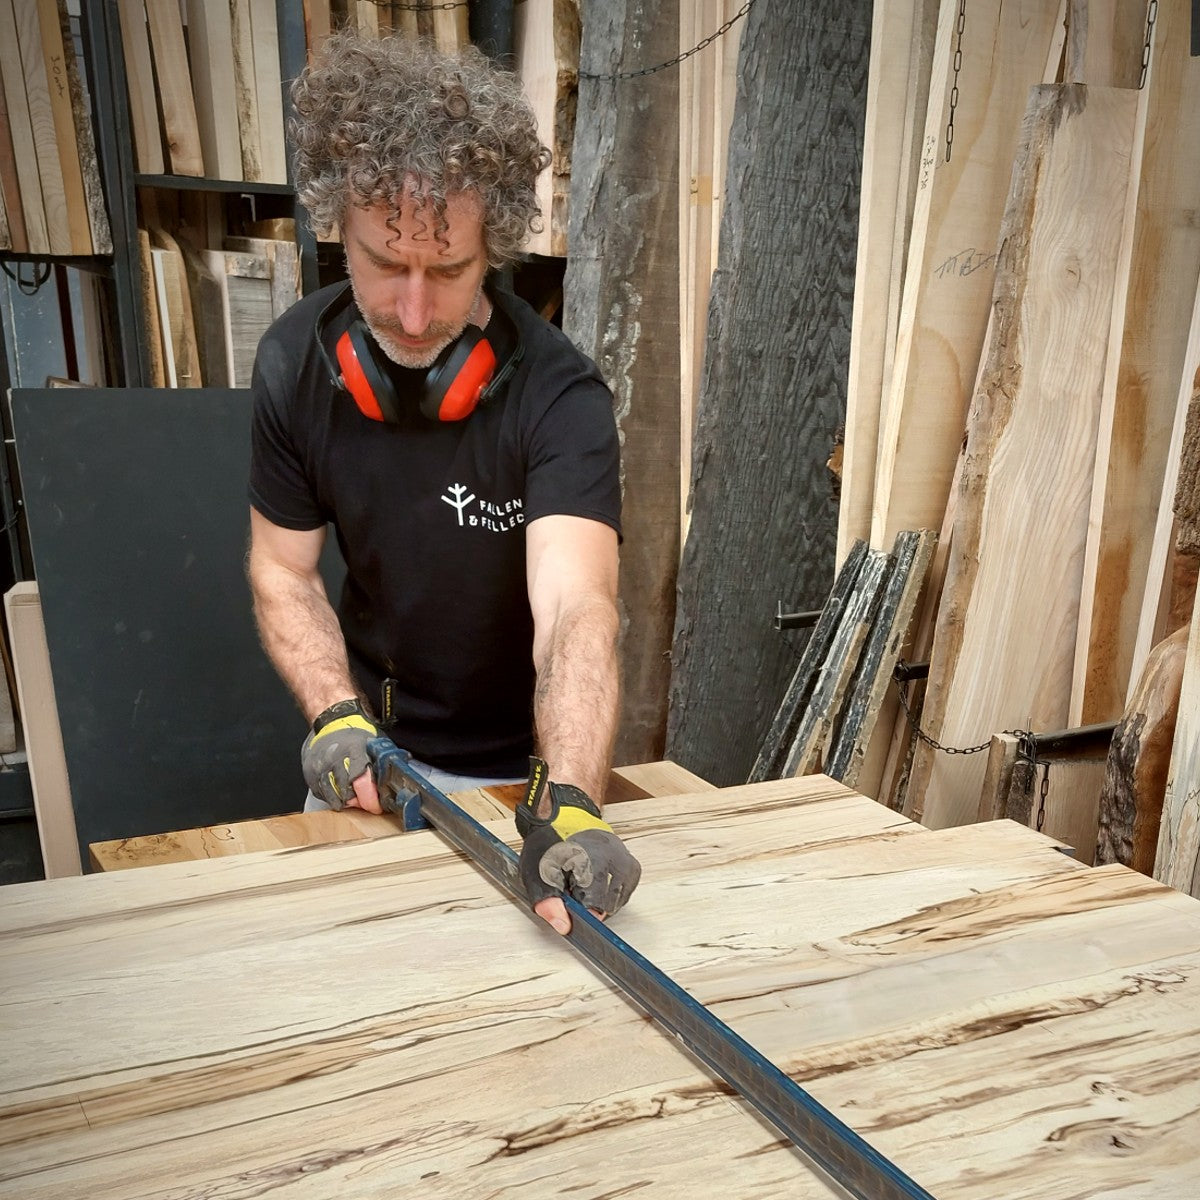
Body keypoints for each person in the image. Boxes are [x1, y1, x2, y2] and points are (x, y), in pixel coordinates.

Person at [246, 31, 640, 935]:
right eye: (387, 265)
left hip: (524, 775)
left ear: (493, 249)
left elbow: (579, 609)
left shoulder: (560, 397)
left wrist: (570, 796)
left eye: (449, 270)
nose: (415, 313)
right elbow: (283, 570)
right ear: (336, 224)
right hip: (375, 764)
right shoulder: (292, 370)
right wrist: (332, 715)